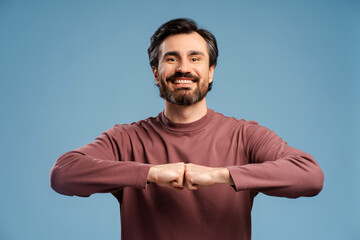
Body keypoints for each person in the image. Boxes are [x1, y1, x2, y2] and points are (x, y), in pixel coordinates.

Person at [50, 18, 324, 240]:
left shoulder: (244, 136)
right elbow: (63, 174)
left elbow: (310, 176)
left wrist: (220, 175)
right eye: (171, 59)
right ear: (156, 73)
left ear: (211, 71)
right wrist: (150, 173)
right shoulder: (126, 140)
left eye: (195, 59)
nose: (183, 68)